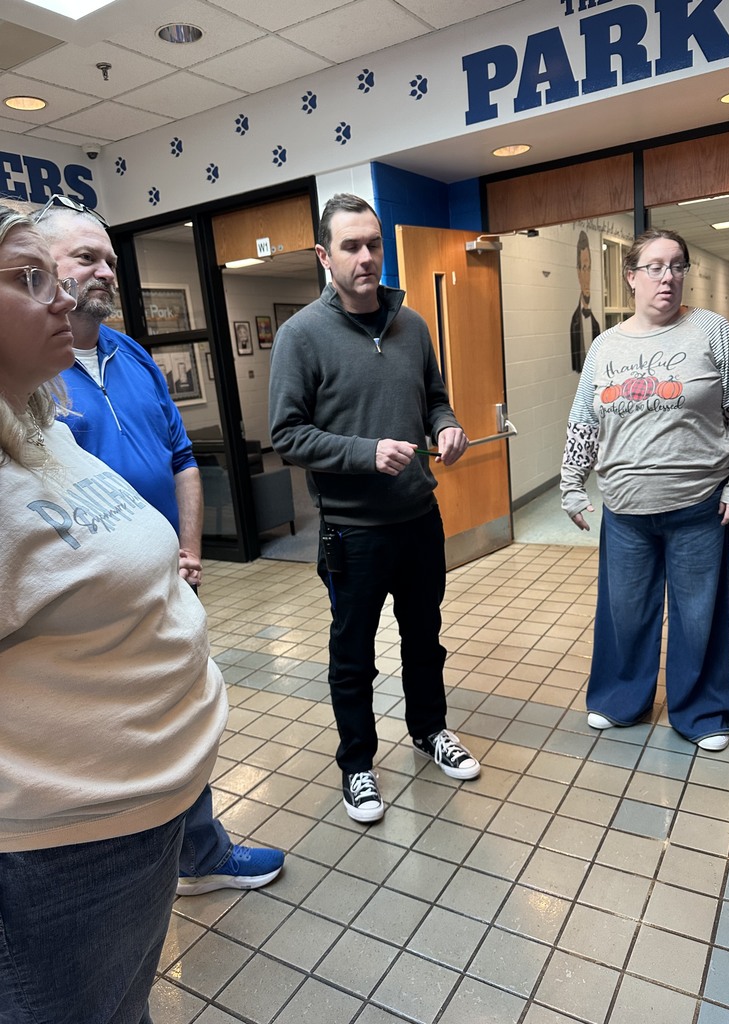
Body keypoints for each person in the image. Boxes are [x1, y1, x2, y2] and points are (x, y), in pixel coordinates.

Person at [0, 203, 229, 1021]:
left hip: (140, 817)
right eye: (30, 278)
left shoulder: (38, 419)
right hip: (64, 848)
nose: (63, 293)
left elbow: (172, 460)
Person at [34, 197, 284, 894]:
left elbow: (181, 457)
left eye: (110, 259)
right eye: (87, 257)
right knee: (121, 737)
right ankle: (139, 871)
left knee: (181, 714)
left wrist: (190, 551)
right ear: (35, 268)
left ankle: (197, 855)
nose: (107, 272)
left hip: (168, 581)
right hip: (92, 608)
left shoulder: (132, 352)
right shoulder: (30, 380)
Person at [269, 193, 481, 824]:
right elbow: (287, 435)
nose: (366, 258)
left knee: (425, 640)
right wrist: (365, 453)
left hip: (418, 519)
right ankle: (358, 765)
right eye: (351, 247)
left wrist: (447, 427)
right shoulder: (301, 336)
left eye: (373, 244)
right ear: (323, 256)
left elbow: (435, 399)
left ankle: (430, 730)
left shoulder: (412, 325)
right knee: (353, 654)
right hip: (352, 534)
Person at [561, 227, 729, 752]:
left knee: (700, 616)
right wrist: (572, 483)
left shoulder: (714, 333)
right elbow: (584, 421)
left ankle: (704, 712)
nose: (667, 277)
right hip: (626, 511)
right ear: (631, 277)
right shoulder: (605, 346)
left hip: (700, 508)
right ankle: (619, 699)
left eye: (677, 265)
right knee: (624, 612)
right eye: (654, 266)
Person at [570, 229, 601, 373]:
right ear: (577, 272)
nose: (587, 277)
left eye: (589, 269)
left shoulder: (596, 324)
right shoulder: (575, 323)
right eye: (583, 268)